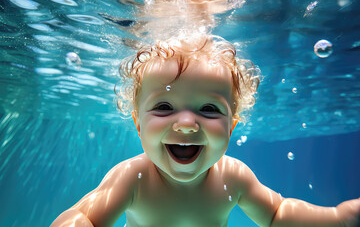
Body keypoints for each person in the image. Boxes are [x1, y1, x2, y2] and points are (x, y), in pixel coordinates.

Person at [51, 35, 360, 227]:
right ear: (138, 124)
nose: (186, 124)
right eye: (164, 107)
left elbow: (278, 214)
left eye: (209, 109)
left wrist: (339, 218)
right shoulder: (133, 177)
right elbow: (83, 217)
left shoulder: (234, 176)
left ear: (231, 128)